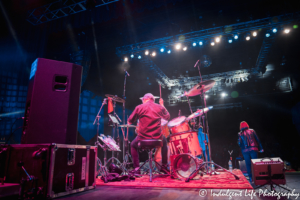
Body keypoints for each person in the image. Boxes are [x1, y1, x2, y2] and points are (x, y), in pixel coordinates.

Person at [128, 93, 170, 175]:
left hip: (143, 139)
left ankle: (137, 168)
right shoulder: (159, 107)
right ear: (153, 100)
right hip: (157, 139)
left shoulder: (139, 107)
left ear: (144, 99)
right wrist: (162, 105)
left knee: (133, 145)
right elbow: (167, 117)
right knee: (164, 142)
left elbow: (130, 120)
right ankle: (164, 167)